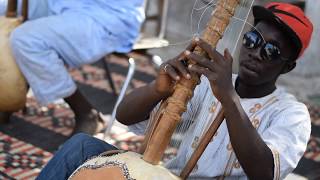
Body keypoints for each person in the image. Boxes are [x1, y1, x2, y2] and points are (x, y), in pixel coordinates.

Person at [36, 2, 313, 180]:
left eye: (271, 51)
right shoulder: (209, 83)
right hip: (169, 174)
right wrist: (157, 90)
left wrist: (229, 99)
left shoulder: (292, 114)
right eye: (253, 40)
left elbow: (264, 173)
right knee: (81, 146)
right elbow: (123, 116)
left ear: (286, 68)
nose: (255, 53)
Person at [0, 0, 145, 134]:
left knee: (27, 40)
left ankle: (86, 113)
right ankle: (7, 95)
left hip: (105, 15)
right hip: (61, 3)